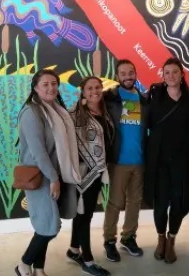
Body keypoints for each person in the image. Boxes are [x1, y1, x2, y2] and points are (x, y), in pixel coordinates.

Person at [15, 69, 81, 276]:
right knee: (50, 226)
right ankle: (23, 265)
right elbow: (38, 152)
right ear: (35, 88)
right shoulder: (31, 113)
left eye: (54, 83)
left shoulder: (57, 110)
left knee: (44, 224)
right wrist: (53, 178)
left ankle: (39, 268)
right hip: (40, 177)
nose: (51, 88)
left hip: (55, 175)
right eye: (45, 84)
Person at [144, 57, 189, 264]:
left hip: (180, 159)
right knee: (160, 202)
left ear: (182, 74)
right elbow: (145, 121)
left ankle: (171, 238)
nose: (171, 76)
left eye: (175, 72)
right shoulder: (155, 94)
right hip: (158, 159)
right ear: (163, 75)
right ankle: (160, 239)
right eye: (167, 72)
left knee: (179, 201)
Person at [66, 76, 115, 276]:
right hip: (84, 172)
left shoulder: (105, 111)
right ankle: (87, 260)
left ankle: (73, 249)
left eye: (97, 87)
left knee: (85, 213)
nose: (94, 91)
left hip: (99, 171)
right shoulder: (76, 114)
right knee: (84, 215)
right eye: (89, 88)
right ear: (83, 92)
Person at [102, 59, 149, 262]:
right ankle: (109, 241)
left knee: (135, 202)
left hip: (139, 160)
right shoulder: (109, 97)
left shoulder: (144, 99)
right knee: (115, 202)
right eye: (123, 73)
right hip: (118, 161)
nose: (128, 76)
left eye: (131, 72)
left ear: (135, 73)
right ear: (117, 75)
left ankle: (128, 238)